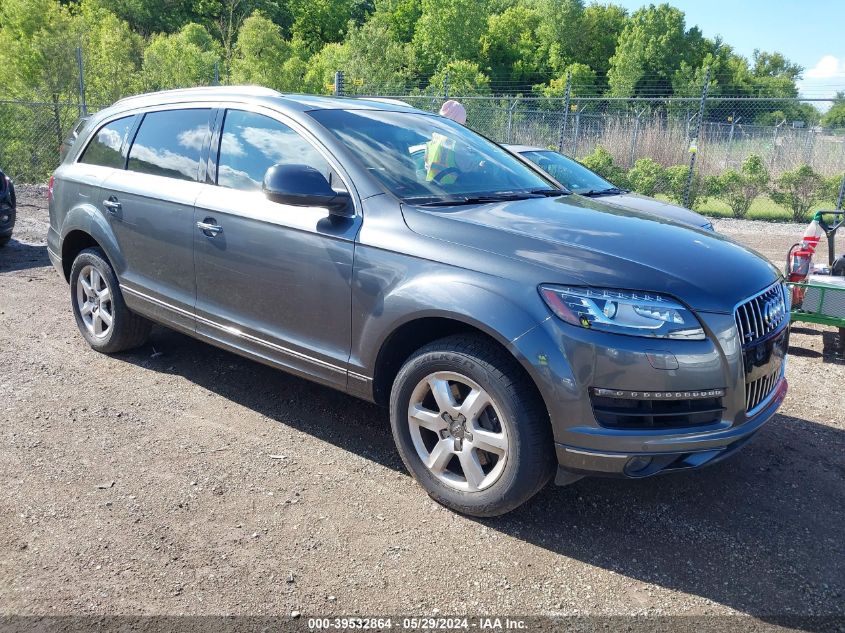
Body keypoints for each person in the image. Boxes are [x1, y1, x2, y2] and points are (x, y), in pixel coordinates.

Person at [424, 100, 467, 184]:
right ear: (460, 121)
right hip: (453, 190)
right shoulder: (457, 142)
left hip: (433, 188)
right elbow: (466, 167)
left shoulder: (435, 138)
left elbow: (426, 164)